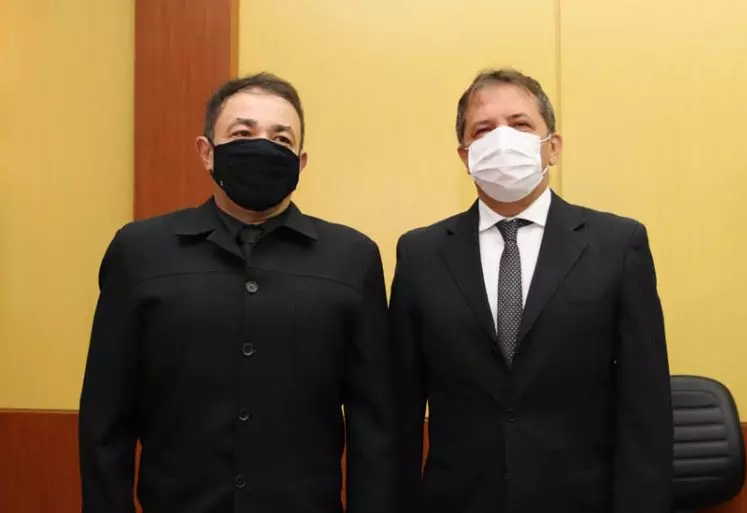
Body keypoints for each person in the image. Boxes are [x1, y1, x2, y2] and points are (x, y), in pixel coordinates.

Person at [79, 72, 396, 513]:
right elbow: (105, 420)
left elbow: (374, 425)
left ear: (301, 162)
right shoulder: (139, 252)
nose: (263, 147)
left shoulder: (352, 259)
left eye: (281, 139)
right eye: (243, 134)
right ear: (207, 152)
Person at [391, 69, 672, 513]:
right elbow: (400, 408)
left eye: (520, 124)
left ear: (552, 146)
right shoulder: (420, 254)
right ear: (465, 155)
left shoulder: (618, 245)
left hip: (581, 499)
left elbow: (645, 404)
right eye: (483, 129)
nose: (502, 139)